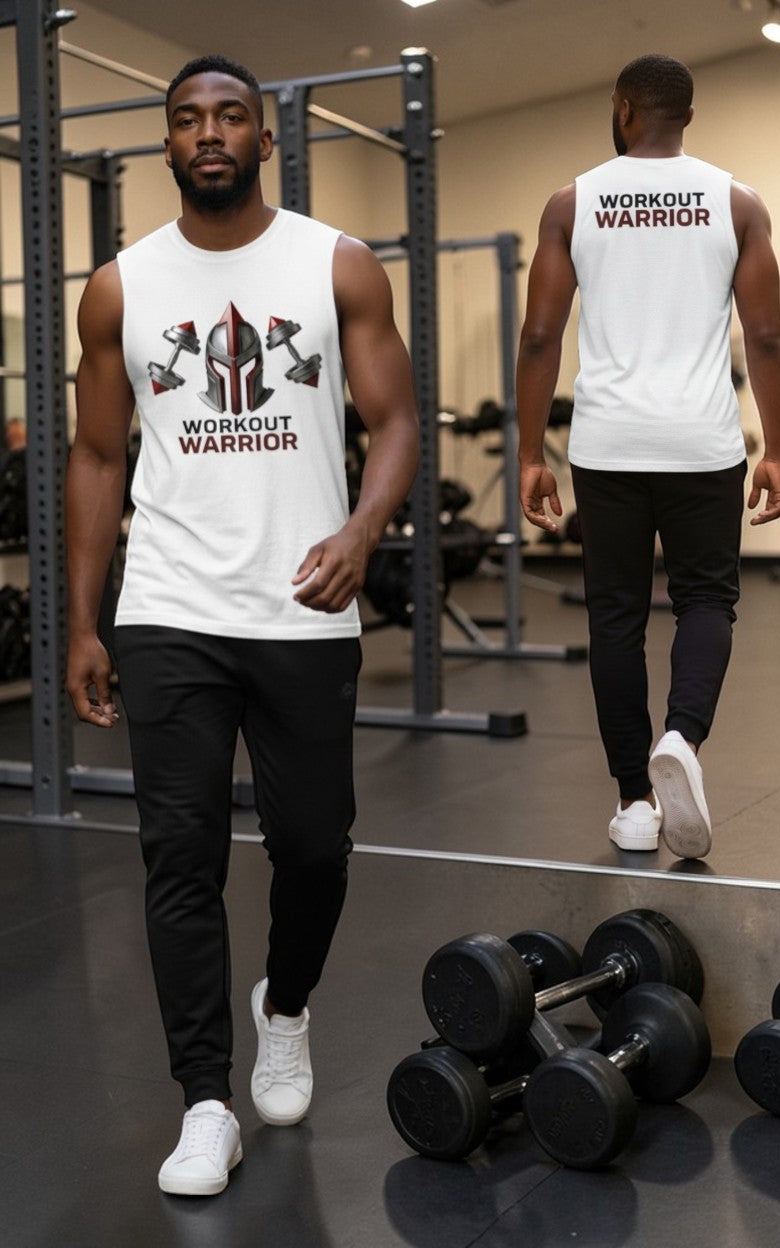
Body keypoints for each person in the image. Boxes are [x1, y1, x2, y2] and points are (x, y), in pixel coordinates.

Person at [65, 54, 419, 1197]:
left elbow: (397, 416)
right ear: (164, 147)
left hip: (302, 605)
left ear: (263, 140)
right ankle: (204, 1102)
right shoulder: (120, 286)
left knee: (315, 848)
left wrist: (365, 529)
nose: (208, 133)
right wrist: (82, 618)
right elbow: (97, 456)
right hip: (169, 604)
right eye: (186, 120)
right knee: (181, 858)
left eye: (229, 116)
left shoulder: (337, 263)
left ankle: (289, 1004)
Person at [516, 53, 780, 861]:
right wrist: (775, 449)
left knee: (617, 618)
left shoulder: (573, 201)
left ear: (623, 107)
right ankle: (683, 738)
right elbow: (767, 335)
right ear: (689, 117)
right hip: (701, 441)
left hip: (609, 444)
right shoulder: (736, 202)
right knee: (706, 602)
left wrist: (533, 454)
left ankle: (635, 801)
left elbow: (540, 335)